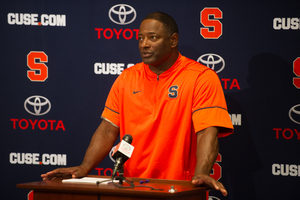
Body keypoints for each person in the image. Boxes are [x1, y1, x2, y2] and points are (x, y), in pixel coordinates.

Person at [41, 12, 234, 196]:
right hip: (131, 185)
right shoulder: (127, 78)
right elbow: (108, 128)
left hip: (180, 187)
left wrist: (201, 172)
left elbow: (207, 131)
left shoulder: (201, 77)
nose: (145, 45)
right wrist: (84, 167)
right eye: (141, 39)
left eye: (153, 38)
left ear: (173, 40)